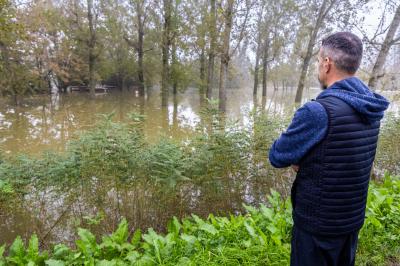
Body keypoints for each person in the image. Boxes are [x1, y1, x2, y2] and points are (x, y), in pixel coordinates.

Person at [268, 32, 390, 266]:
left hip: (317, 228)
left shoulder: (317, 112)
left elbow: (278, 155)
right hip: (351, 223)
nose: (316, 65)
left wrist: (301, 159)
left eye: (317, 60)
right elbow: (349, 155)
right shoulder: (372, 108)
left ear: (327, 64)